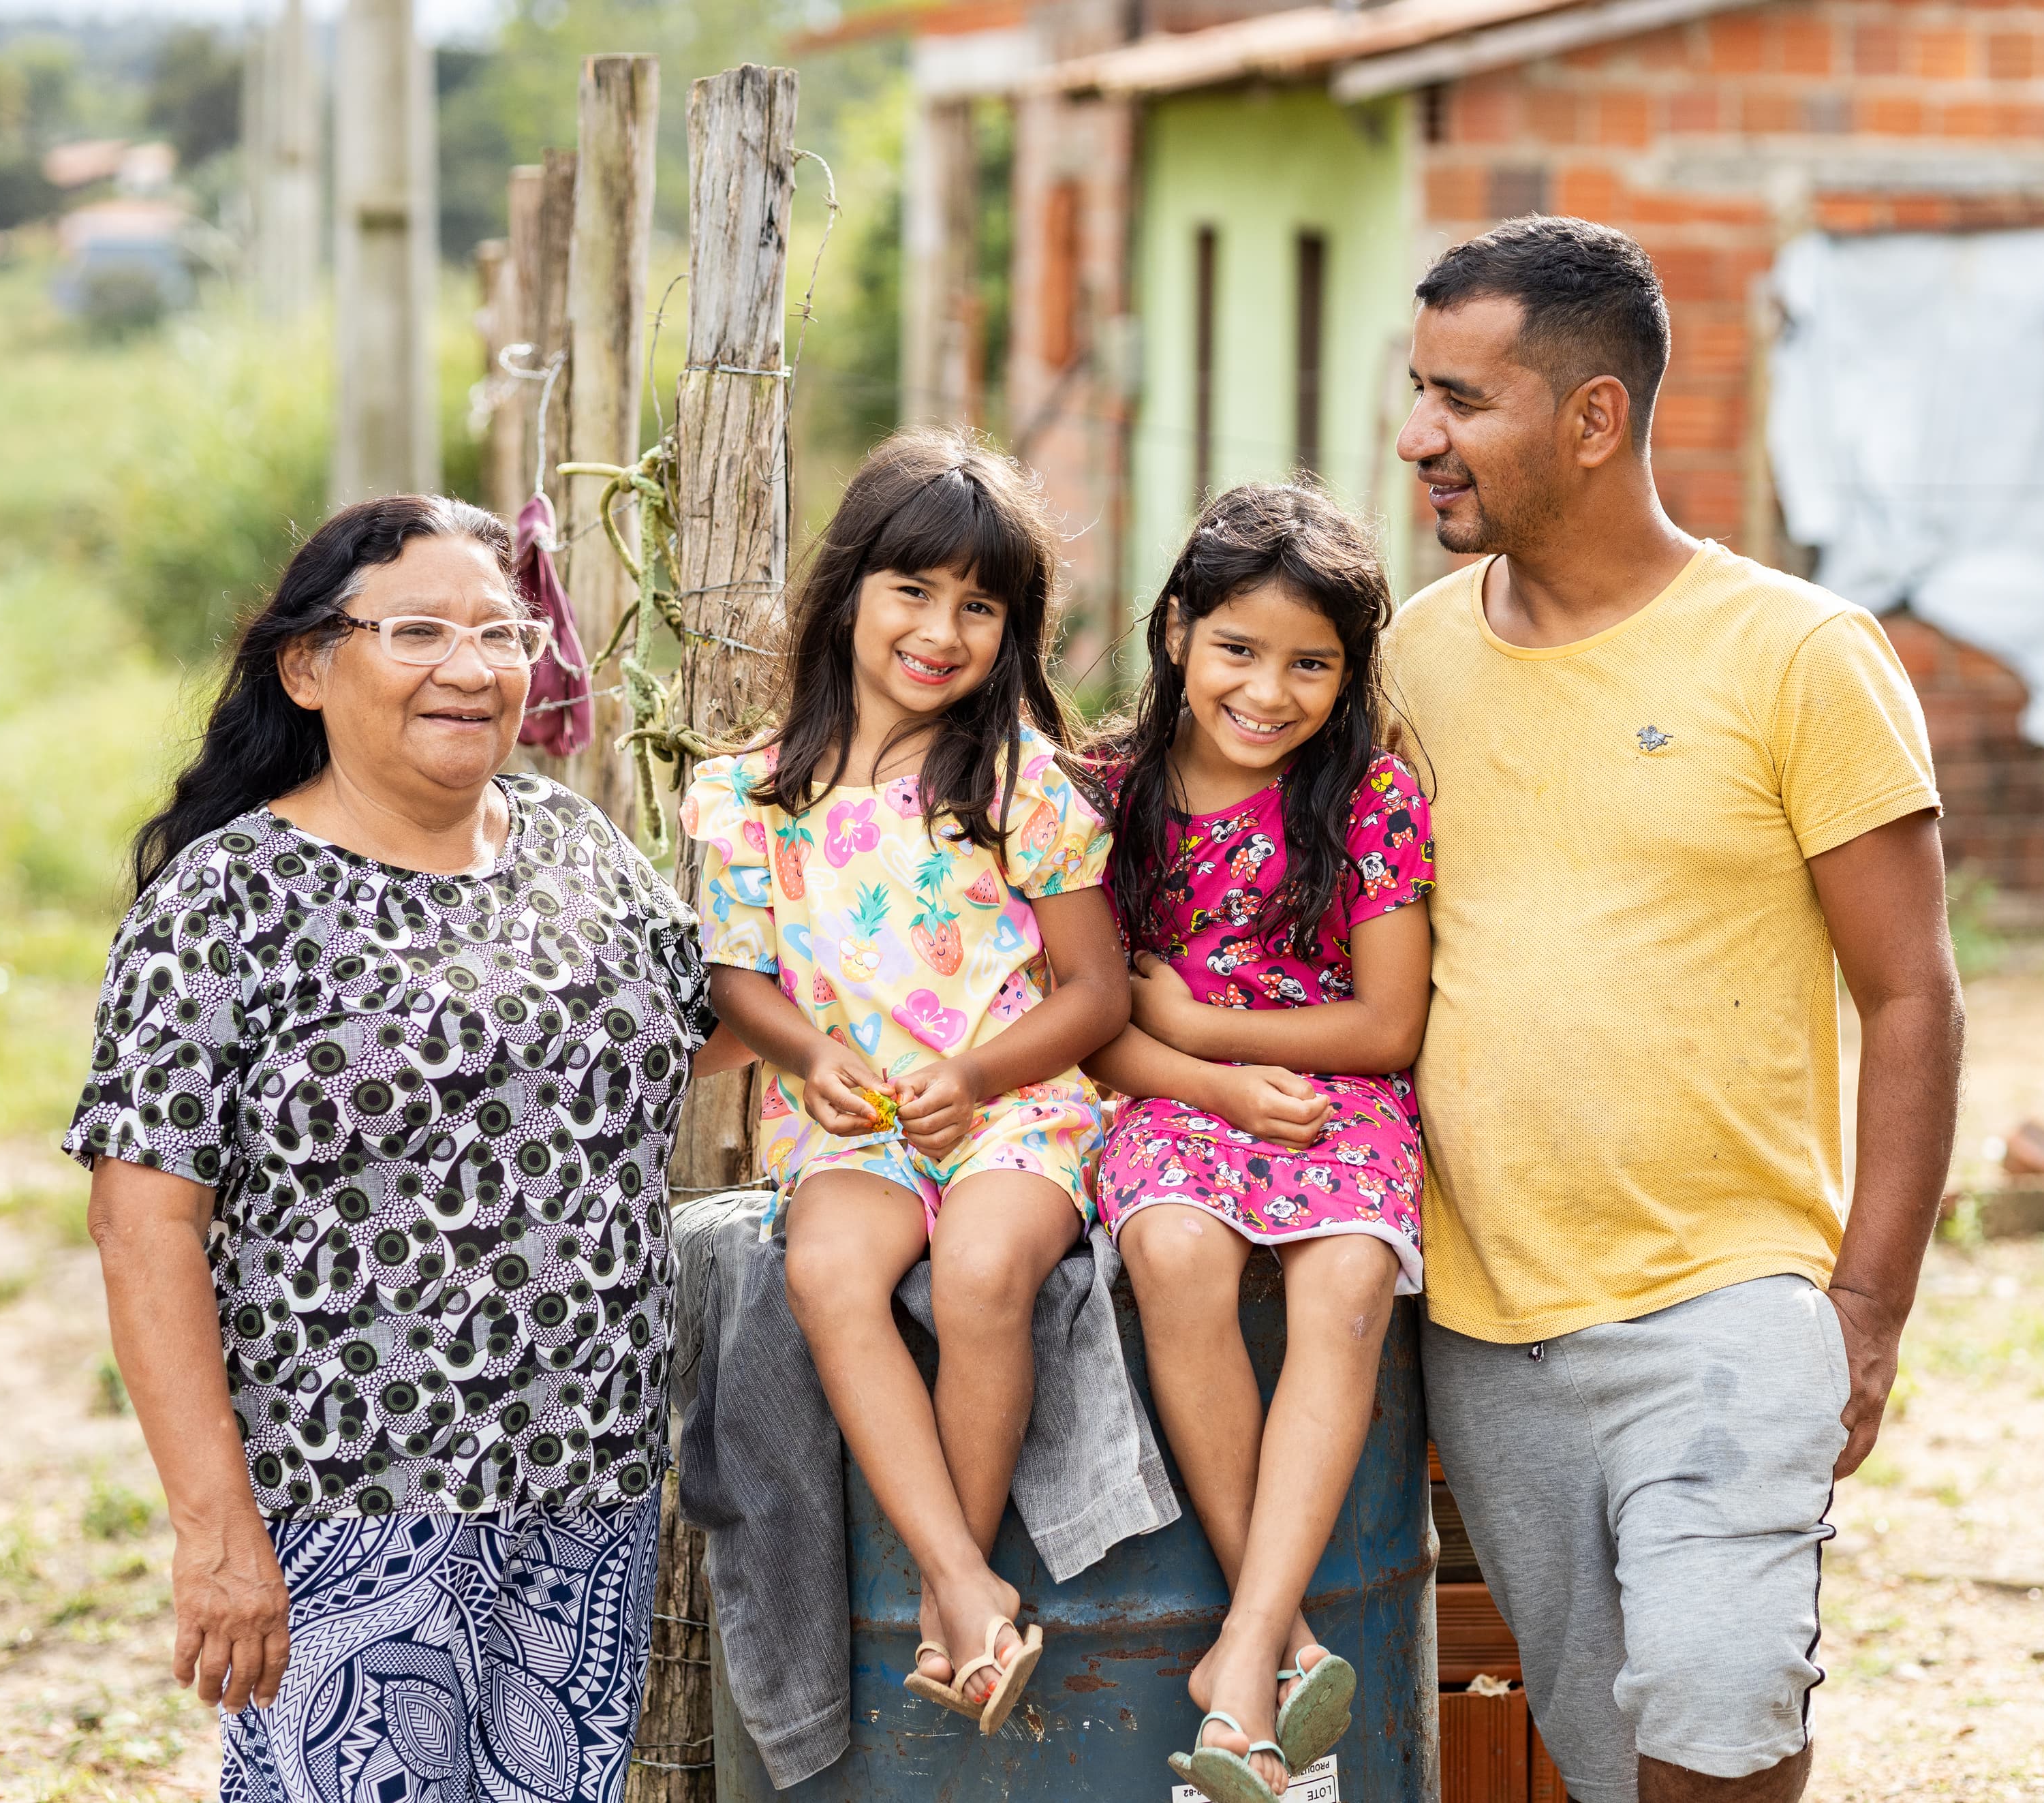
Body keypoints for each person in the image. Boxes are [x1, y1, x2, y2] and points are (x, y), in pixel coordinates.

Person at [1387, 217, 1965, 1803]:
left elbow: (1911, 993)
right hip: (1488, 1323)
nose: (1418, 434)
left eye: (1461, 398)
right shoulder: (1412, 659)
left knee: (1718, 1710)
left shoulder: (1800, 657)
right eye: (1417, 389)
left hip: (1725, 1305)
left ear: (1594, 418)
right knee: (1601, 1747)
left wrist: (1869, 1308)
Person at [69, 495, 748, 1803]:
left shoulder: (570, 845)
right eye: (420, 630)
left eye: (501, 633)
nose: (472, 668)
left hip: (583, 1484)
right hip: (347, 1496)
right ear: (311, 665)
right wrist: (216, 1535)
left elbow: (707, 1023)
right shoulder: (230, 901)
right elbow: (142, 1220)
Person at [679, 430, 1128, 1736]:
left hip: (1014, 1106)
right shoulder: (748, 795)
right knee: (827, 1270)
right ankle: (969, 1590)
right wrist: (810, 1054)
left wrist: (979, 1071)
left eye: (979, 605)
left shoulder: (1018, 784)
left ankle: (951, 1592)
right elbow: (738, 975)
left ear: (1014, 628)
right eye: (913, 591)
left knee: (988, 1269)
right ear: (848, 593)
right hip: (852, 1119)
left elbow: (1096, 992)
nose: (942, 630)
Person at [1079, 484, 1434, 1803]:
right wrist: (1217, 1079)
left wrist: (1222, 1025)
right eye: (1238, 648)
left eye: (1310, 664)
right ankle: (1277, 1646)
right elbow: (1096, 1025)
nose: (1269, 691)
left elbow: (1390, 1021)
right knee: (1172, 1246)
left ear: (1350, 676)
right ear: (1177, 632)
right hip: (1171, 1090)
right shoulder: (1107, 798)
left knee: (1347, 1279)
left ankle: (1236, 1660)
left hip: (1337, 1092)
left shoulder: (1372, 798)